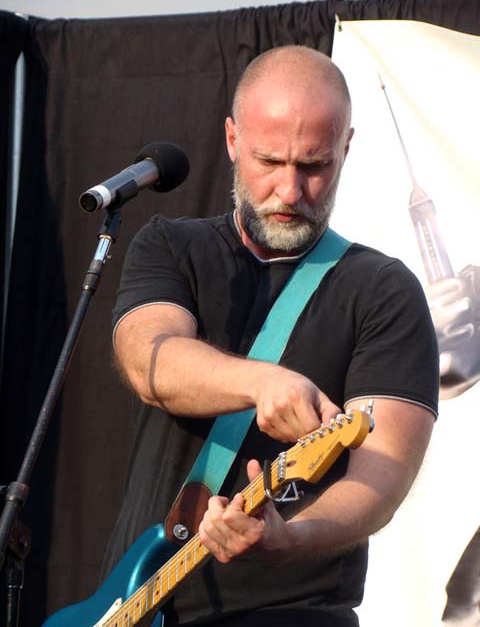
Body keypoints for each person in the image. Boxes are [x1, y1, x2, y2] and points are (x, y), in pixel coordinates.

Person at [103, 45, 439, 626]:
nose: (290, 191)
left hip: (291, 612)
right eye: (269, 161)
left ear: (346, 150)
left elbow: (381, 475)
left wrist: (293, 536)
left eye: (314, 166)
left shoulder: (384, 291)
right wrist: (262, 382)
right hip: (130, 602)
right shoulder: (170, 246)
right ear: (233, 140)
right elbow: (147, 360)